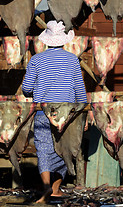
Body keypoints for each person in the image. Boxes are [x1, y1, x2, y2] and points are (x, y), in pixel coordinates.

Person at [22, 20, 87, 204]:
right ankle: (56, 189)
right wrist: (84, 115)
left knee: (43, 150)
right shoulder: (73, 60)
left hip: (44, 111)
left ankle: (46, 187)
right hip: (68, 114)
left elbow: (26, 88)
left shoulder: (36, 60)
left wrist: (35, 88)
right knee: (64, 149)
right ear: (63, 40)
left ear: (47, 41)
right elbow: (80, 91)